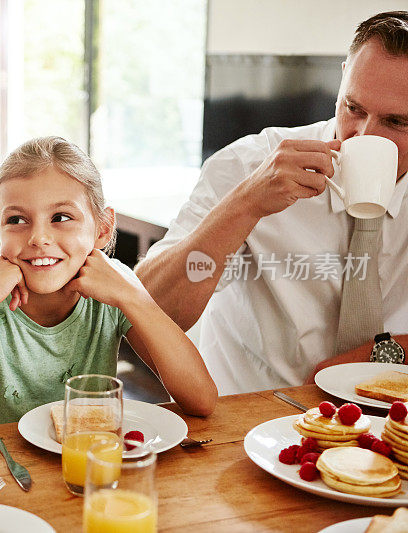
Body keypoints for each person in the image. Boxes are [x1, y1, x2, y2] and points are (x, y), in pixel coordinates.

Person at [135, 11, 408, 395]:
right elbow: (143, 315)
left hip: (385, 423)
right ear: (343, 76)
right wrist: (245, 204)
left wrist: (380, 354)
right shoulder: (248, 163)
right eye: (354, 108)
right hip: (247, 419)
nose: (362, 136)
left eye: (397, 122)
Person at [0, 136, 217, 442]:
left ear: (103, 229)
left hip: (88, 473)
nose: (39, 238)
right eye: (16, 219)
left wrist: (133, 295)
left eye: (61, 217)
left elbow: (201, 400)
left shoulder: (111, 300)